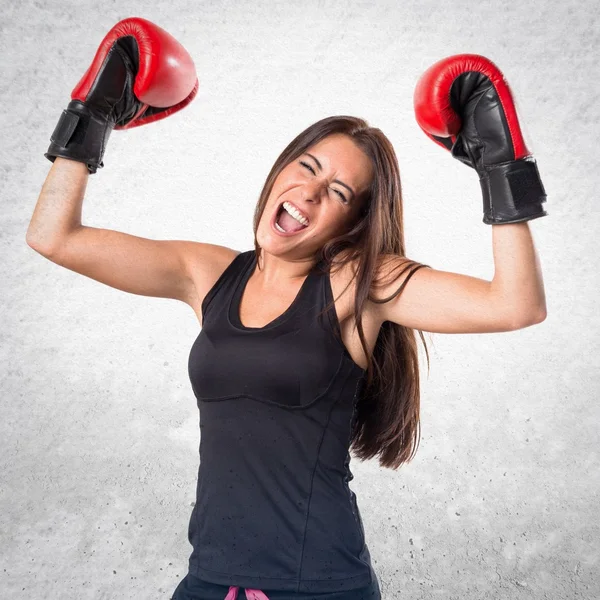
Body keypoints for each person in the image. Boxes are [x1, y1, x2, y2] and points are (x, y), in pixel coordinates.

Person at [26, 17, 548, 600]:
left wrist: (504, 170)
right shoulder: (209, 273)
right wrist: (91, 117)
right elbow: (54, 237)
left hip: (320, 586)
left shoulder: (361, 283)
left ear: (352, 224)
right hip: (209, 579)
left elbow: (516, 305)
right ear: (281, 168)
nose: (311, 193)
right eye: (308, 168)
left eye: (340, 193)